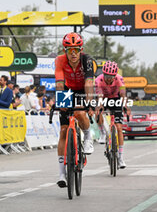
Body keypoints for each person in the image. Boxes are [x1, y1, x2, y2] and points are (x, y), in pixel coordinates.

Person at [55, 32, 94, 188]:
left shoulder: (87, 60)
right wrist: (60, 100)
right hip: (67, 89)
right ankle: (62, 174)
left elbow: (89, 83)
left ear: (81, 49)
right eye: (69, 50)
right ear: (65, 50)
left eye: (76, 50)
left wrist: (89, 102)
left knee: (79, 112)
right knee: (64, 130)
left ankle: (87, 136)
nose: (73, 53)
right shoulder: (59, 60)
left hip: (83, 89)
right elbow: (59, 83)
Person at [95, 61, 129, 169]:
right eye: (107, 76)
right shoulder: (98, 80)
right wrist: (100, 106)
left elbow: (123, 94)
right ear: (103, 74)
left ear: (115, 76)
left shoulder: (119, 79)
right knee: (98, 111)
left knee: (119, 128)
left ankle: (120, 157)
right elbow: (99, 96)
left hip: (116, 98)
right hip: (104, 98)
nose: (109, 78)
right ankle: (102, 132)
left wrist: (125, 105)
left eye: (111, 76)